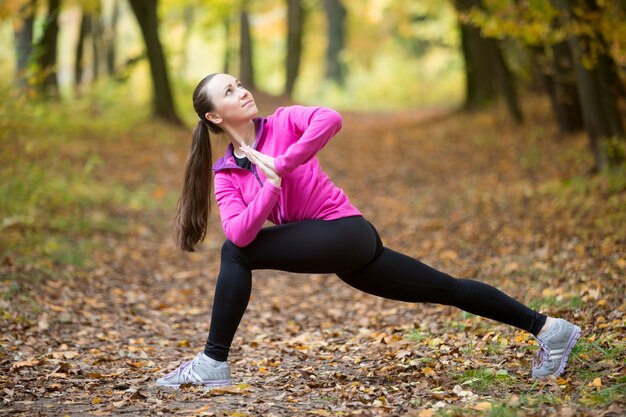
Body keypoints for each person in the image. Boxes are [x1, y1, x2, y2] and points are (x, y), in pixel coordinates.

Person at [156, 73, 581, 388]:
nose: (243, 90)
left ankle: (213, 361)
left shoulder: (285, 121)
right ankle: (549, 329)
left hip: (345, 233)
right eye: (229, 91)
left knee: (233, 255)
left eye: (239, 83)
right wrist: (270, 185)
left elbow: (330, 118)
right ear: (213, 115)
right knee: (443, 288)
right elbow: (241, 231)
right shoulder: (226, 172)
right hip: (348, 254)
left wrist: (283, 163)